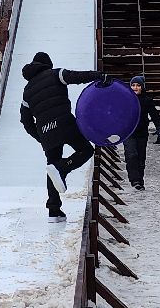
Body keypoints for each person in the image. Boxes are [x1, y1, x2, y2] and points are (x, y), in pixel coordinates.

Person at [19, 50, 102, 219]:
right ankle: (64, 167)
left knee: (52, 166)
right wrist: (98, 75)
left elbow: (26, 121)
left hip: (46, 132)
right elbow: (76, 77)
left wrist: (40, 136)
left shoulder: (27, 92)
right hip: (65, 124)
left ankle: (54, 209)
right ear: (48, 65)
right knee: (85, 150)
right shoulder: (56, 74)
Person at [126, 74, 160, 191]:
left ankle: (140, 182)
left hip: (142, 133)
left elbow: (155, 115)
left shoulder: (147, 100)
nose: (135, 88)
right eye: (133, 85)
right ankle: (134, 180)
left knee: (140, 158)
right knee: (131, 155)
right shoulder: (126, 100)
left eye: (138, 85)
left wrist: (159, 128)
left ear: (142, 87)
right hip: (129, 133)